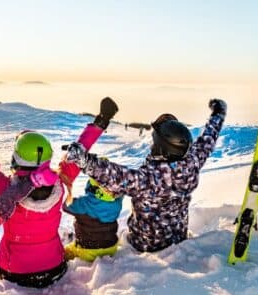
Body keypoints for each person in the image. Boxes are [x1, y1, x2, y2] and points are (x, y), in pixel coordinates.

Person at [0, 95, 118, 288]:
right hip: (54, 268)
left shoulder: (6, 191)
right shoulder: (61, 183)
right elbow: (80, 150)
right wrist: (101, 121)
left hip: (14, 274)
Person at [64, 99, 227, 253]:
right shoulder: (192, 164)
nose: (152, 146)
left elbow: (114, 176)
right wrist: (218, 114)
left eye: (155, 143)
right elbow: (207, 141)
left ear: (162, 148)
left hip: (144, 245)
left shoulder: (149, 179)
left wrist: (84, 160)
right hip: (178, 238)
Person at [62, 162, 124, 262]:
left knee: (65, 252)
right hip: (111, 247)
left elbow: (65, 206)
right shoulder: (117, 202)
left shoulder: (84, 204)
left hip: (87, 250)